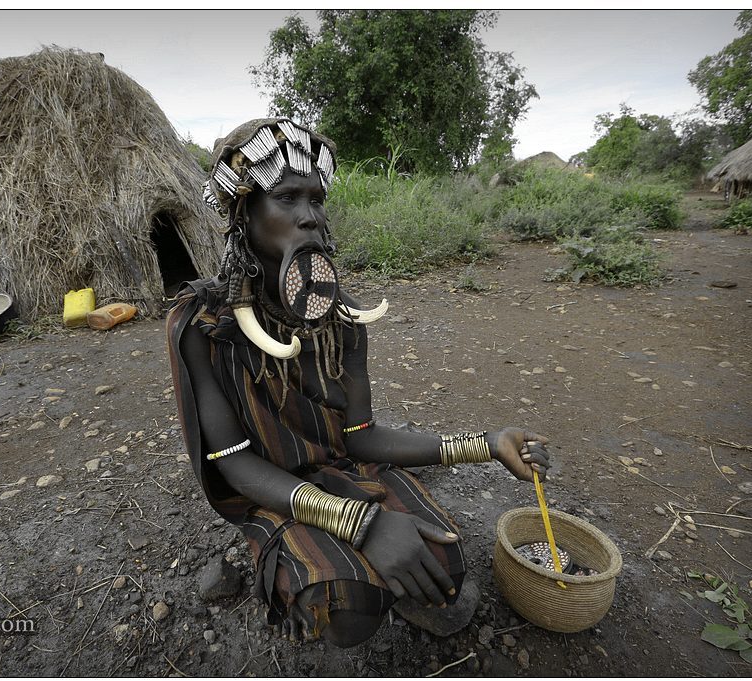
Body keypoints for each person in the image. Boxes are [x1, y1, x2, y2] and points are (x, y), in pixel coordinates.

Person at [166, 118, 550, 647]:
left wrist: (485, 444)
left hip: (348, 469)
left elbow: (362, 436)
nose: (308, 217)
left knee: (446, 566)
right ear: (243, 213)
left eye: (316, 200)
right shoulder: (203, 328)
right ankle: (302, 568)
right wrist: (361, 524)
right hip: (272, 492)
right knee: (350, 612)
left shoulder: (342, 320)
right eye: (286, 198)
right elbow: (232, 462)